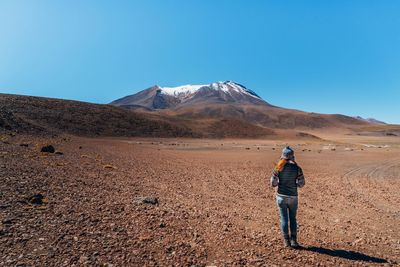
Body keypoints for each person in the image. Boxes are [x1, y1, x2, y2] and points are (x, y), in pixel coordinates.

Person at [271, 146, 305, 248]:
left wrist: (280, 182)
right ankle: (294, 241)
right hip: (293, 197)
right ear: (292, 156)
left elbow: (273, 183)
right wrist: (295, 184)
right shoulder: (297, 168)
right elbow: (301, 183)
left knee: (284, 219)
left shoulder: (278, 168)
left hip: (281, 197)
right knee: (293, 219)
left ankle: (286, 242)